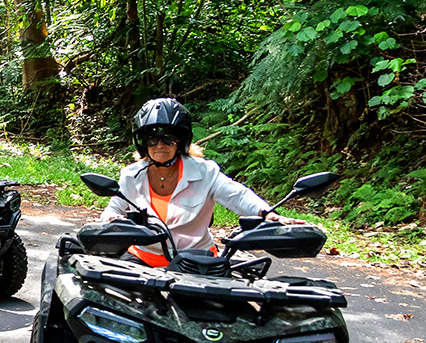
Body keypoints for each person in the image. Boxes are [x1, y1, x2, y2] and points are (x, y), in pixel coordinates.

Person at [99, 98, 301, 266]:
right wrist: (113, 220)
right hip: (143, 258)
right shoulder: (131, 175)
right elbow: (113, 210)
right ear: (142, 142)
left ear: (181, 140)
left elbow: (238, 196)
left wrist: (268, 214)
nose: (159, 144)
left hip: (196, 260)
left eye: (168, 138)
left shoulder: (205, 172)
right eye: (151, 138)